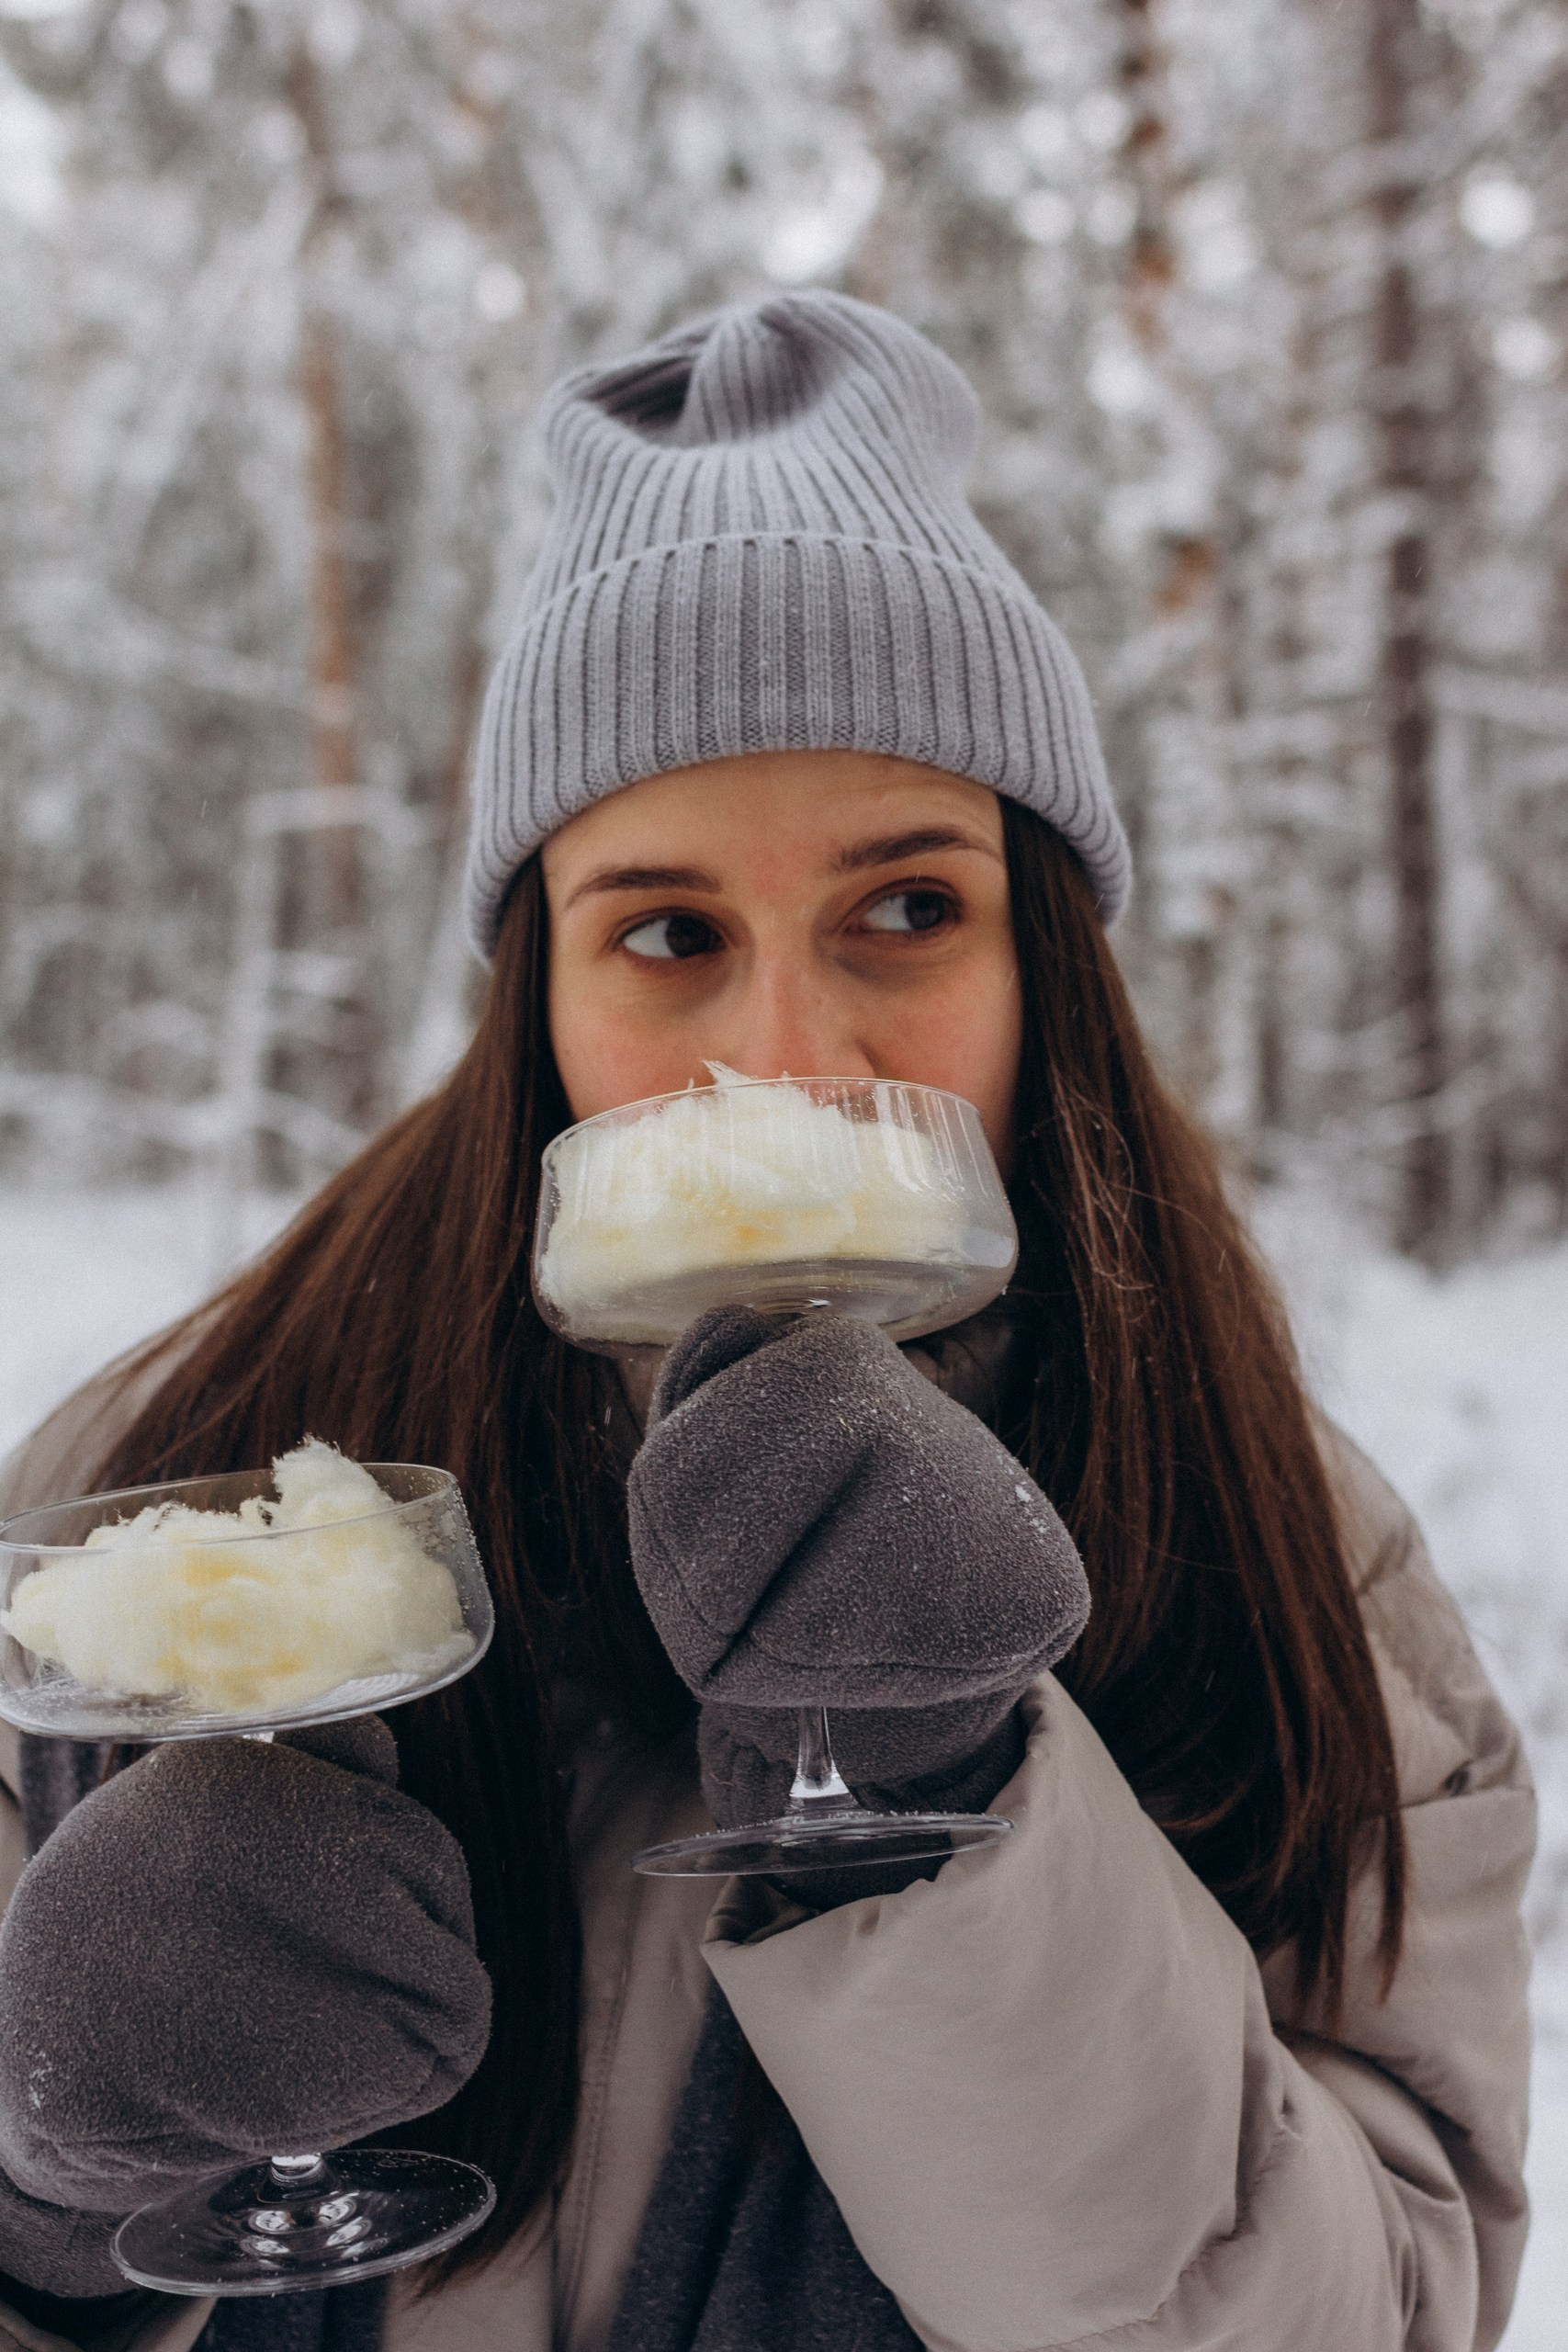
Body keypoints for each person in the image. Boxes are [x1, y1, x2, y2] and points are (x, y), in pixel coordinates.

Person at [0, 292, 1534, 2352]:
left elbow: (1386, 2305)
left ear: (1042, 964)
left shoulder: (1279, 1546)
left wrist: (960, 1804)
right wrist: (48, 2199)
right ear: (533, 1001)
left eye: (907, 906)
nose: (784, 1061)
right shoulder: (168, 1511)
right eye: (664, 932)